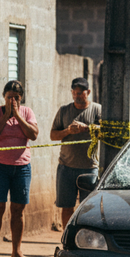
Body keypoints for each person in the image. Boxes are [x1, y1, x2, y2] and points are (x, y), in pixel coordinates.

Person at [0, 80, 39, 257]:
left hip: (22, 168)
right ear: (4, 97)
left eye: (16, 97)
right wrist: (6, 115)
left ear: (21, 98)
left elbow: (33, 134)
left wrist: (18, 116)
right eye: (9, 97)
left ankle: (16, 252)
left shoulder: (27, 112)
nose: (12, 101)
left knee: (18, 210)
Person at [50, 77, 102, 228]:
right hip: (66, 167)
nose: (77, 96)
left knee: (88, 208)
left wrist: (86, 128)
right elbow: (53, 135)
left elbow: (105, 132)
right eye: (75, 92)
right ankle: (67, 237)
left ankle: (86, 237)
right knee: (67, 207)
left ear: (88, 92)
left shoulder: (97, 110)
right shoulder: (64, 111)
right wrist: (68, 131)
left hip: (89, 168)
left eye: (81, 93)